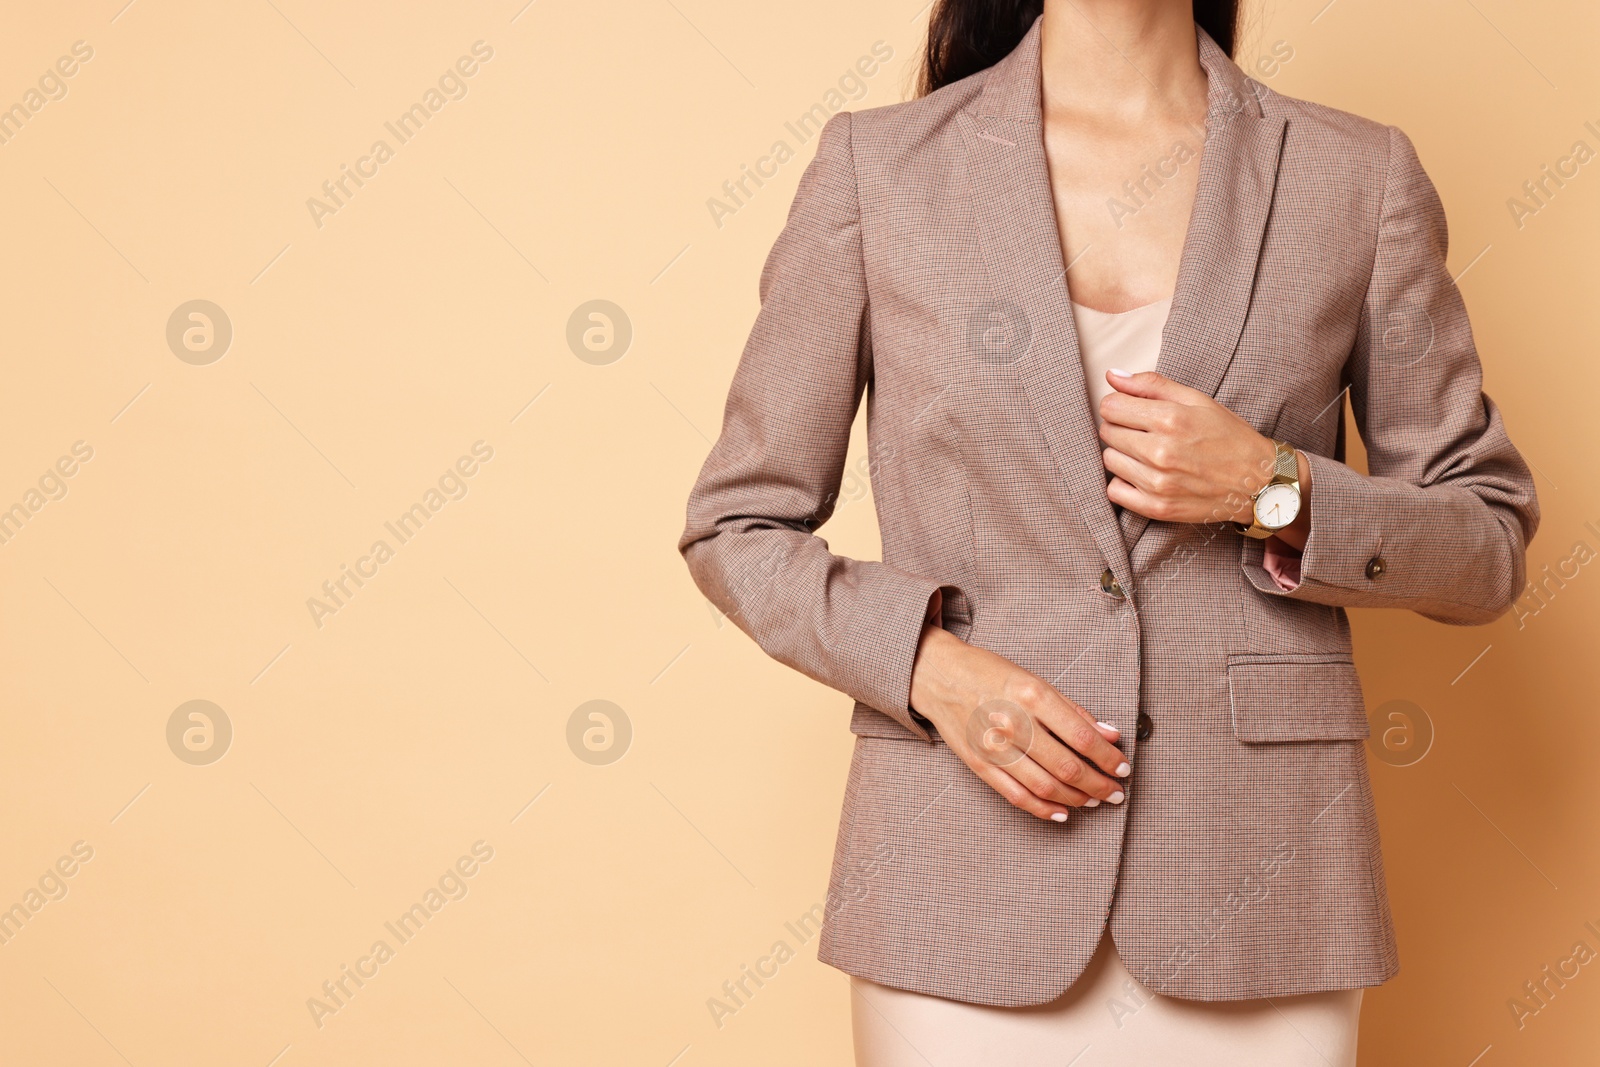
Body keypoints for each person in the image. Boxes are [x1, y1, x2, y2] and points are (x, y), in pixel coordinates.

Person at [677, 1, 1539, 1062]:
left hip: (1260, 890)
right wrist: (931, 672)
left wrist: (1272, 488)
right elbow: (738, 523)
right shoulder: (880, 169)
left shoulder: (1355, 176)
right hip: (960, 881)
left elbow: (1485, 542)